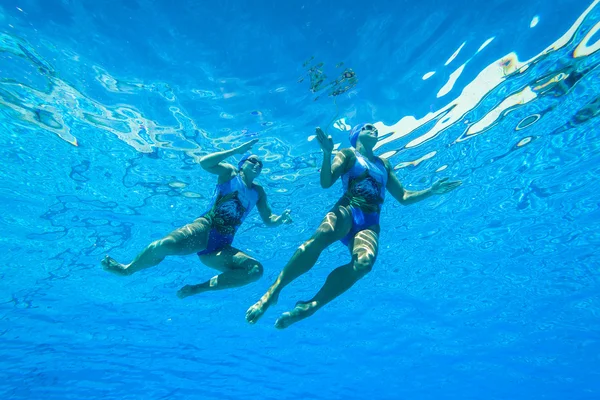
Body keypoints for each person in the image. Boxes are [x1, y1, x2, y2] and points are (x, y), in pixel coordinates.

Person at [246, 123, 461, 328]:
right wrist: (327, 154)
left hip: (370, 222)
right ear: (356, 134)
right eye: (367, 127)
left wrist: (431, 191)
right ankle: (273, 291)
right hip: (348, 209)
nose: (374, 129)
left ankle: (312, 305)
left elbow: (403, 196)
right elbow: (326, 182)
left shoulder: (384, 164)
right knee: (320, 238)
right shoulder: (348, 154)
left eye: (375, 128)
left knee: (364, 264)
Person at [101, 139, 292, 298]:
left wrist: (280, 219)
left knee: (255, 271)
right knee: (164, 245)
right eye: (252, 161)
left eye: (260, 164)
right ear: (242, 164)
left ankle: (197, 288)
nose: (257, 165)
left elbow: (268, 219)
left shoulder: (258, 191)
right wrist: (236, 150)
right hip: (204, 228)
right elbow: (205, 163)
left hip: (222, 246)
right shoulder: (230, 173)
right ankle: (127, 269)